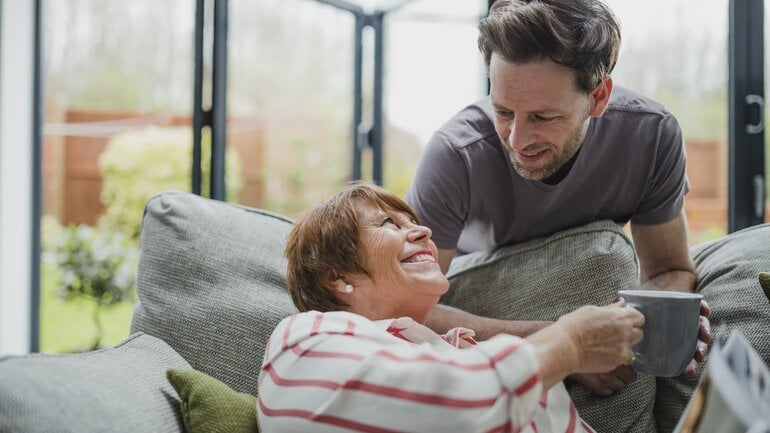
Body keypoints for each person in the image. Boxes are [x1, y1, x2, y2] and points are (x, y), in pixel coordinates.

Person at [405, 0, 711, 394]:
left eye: (542, 117)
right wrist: (567, 344)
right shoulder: (455, 156)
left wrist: (664, 319)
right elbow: (404, 307)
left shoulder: (652, 135)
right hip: (481, 341)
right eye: (503, 111)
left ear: (598, 97)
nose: (517, 140)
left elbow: (670, 269)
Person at [257, 182, 644, 433]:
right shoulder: (304, 339)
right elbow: (454, 407)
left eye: (413, 220)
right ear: (337, 276)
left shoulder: (448, 348)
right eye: (388, 223)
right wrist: (571, 344)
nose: (424, 231)